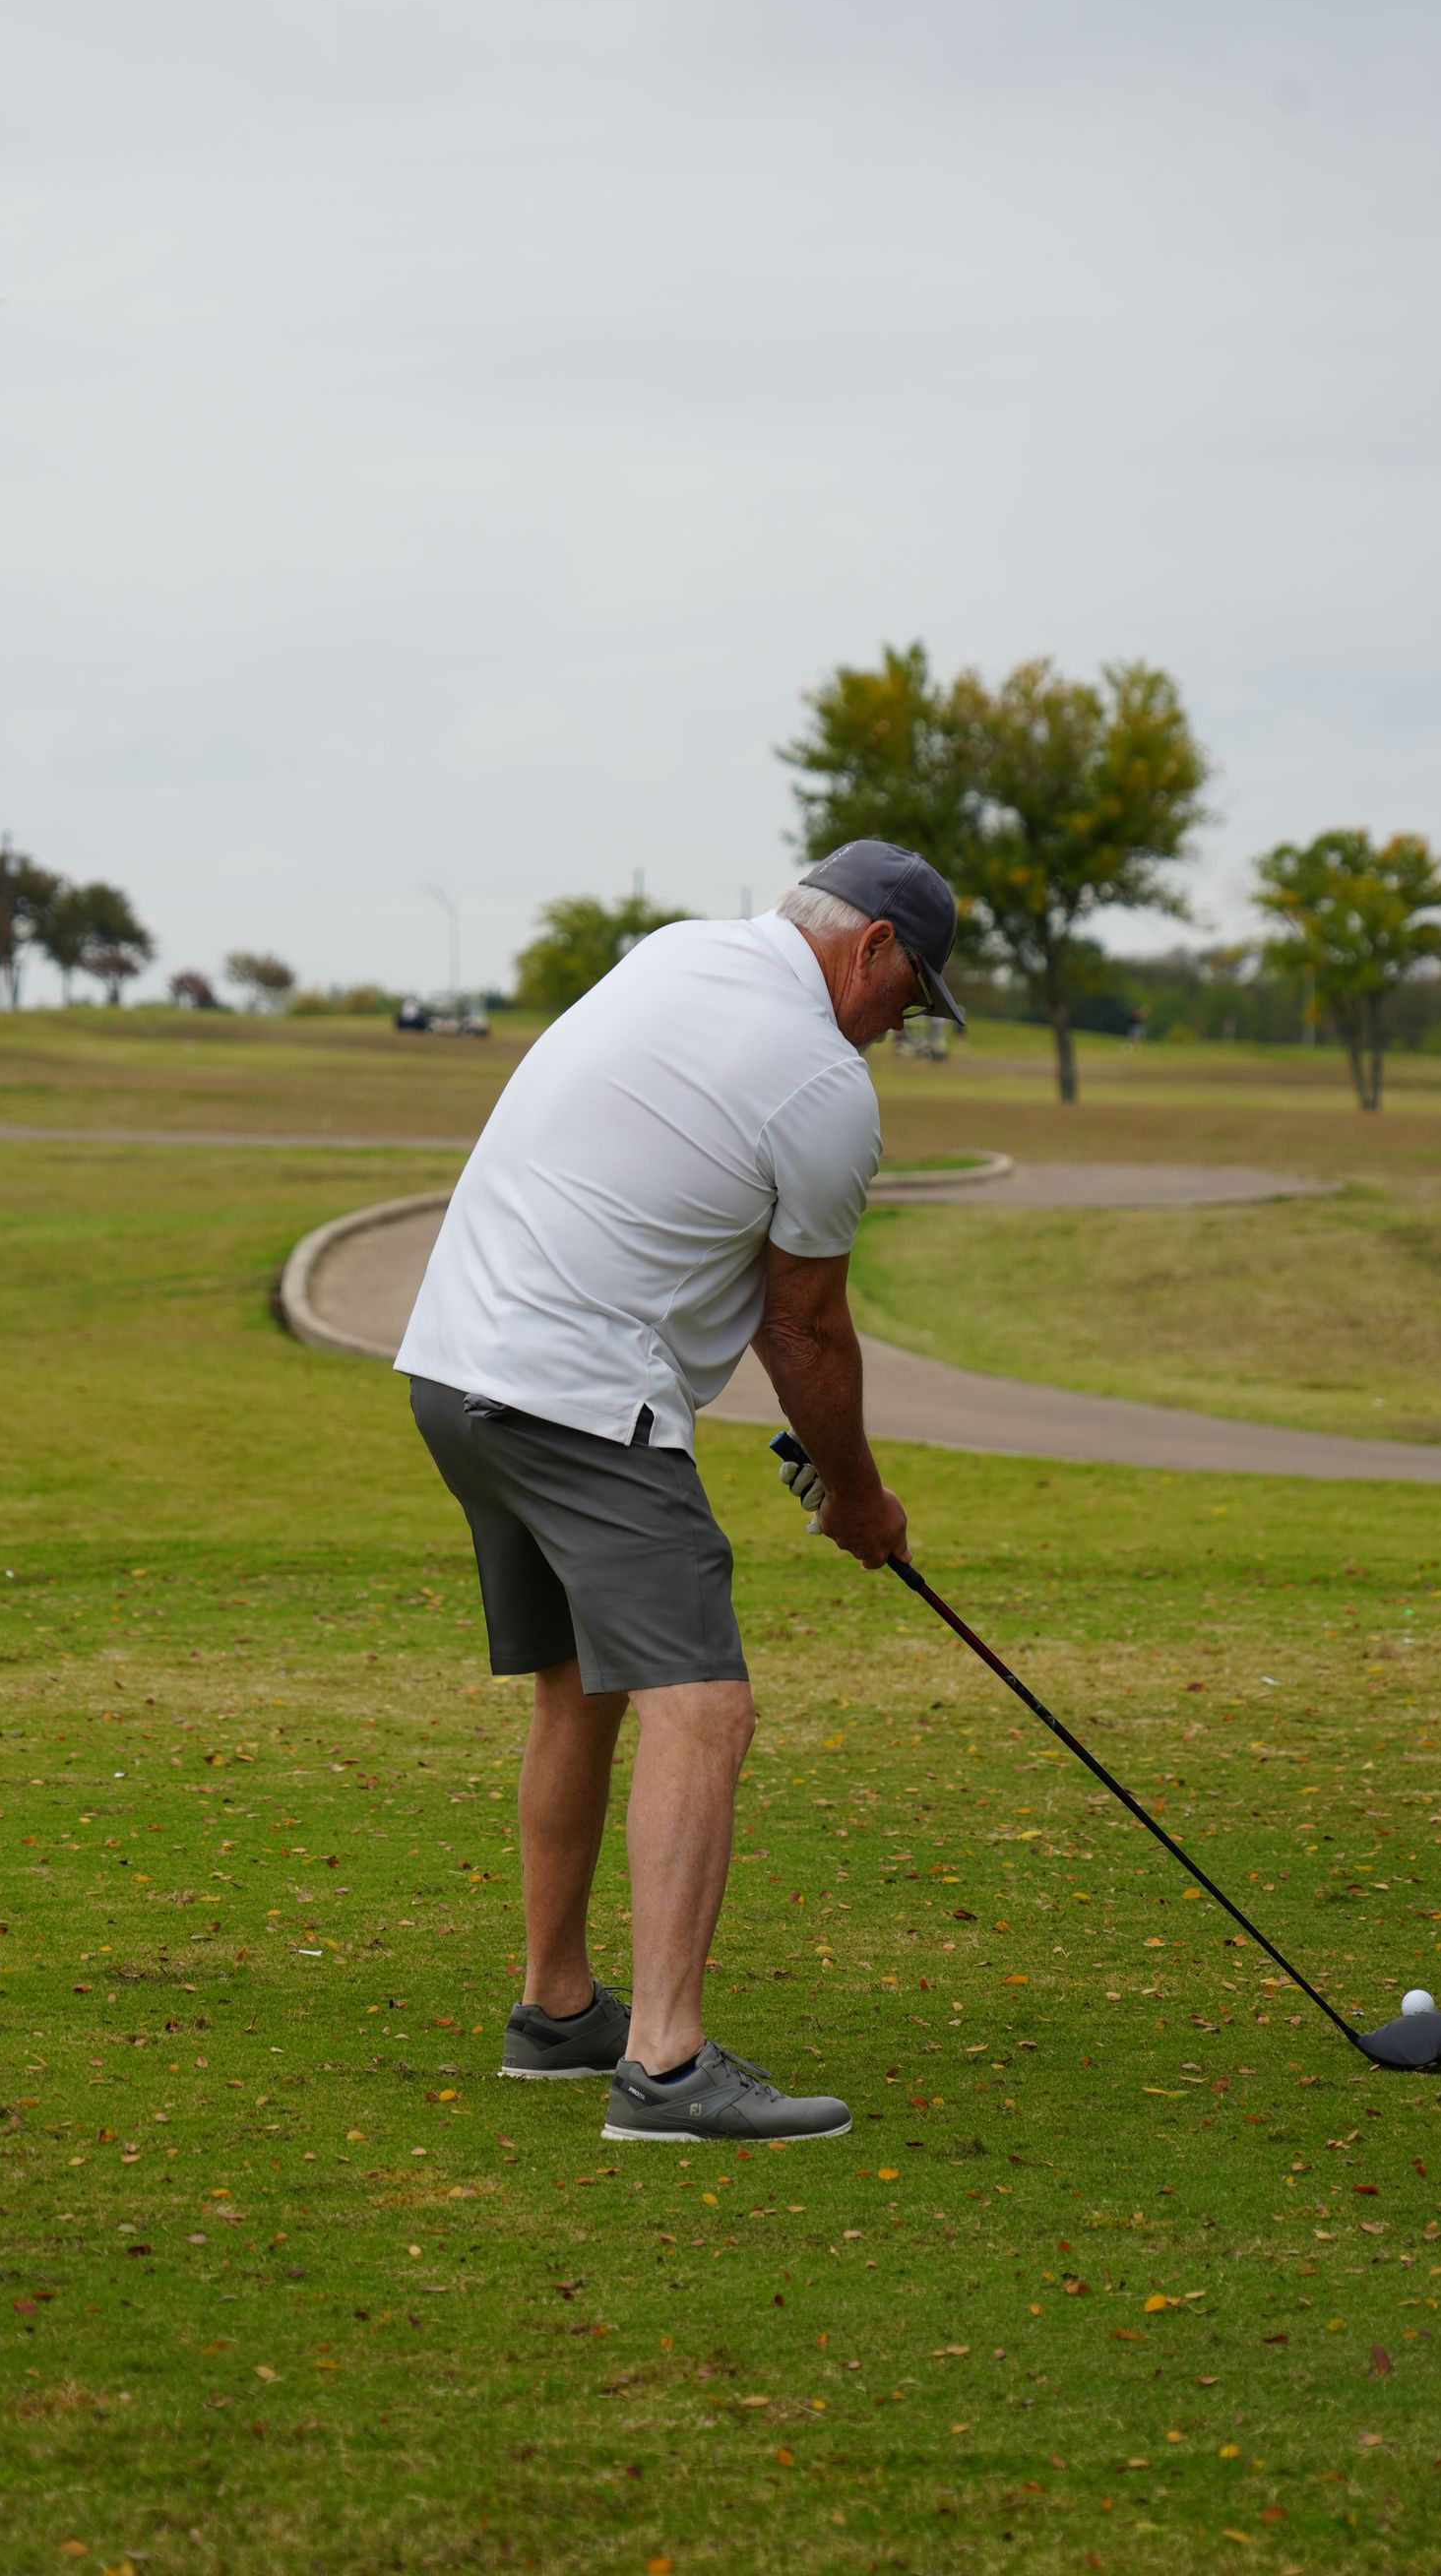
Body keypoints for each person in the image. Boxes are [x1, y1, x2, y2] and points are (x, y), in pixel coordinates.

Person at [396, 840, 964, 2143]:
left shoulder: (674, 952)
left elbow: (747, 1288)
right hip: (577, 1396)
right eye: (912, 994)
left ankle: (557, 2012)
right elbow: (806, 1331)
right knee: (703, 1706)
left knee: (583, 1686)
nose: (900, 1029)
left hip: (454, 1369)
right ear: (871, 946)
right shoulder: (824, 1083)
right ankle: (664, 2067)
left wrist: (834, 1464)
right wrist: (862, 1503)